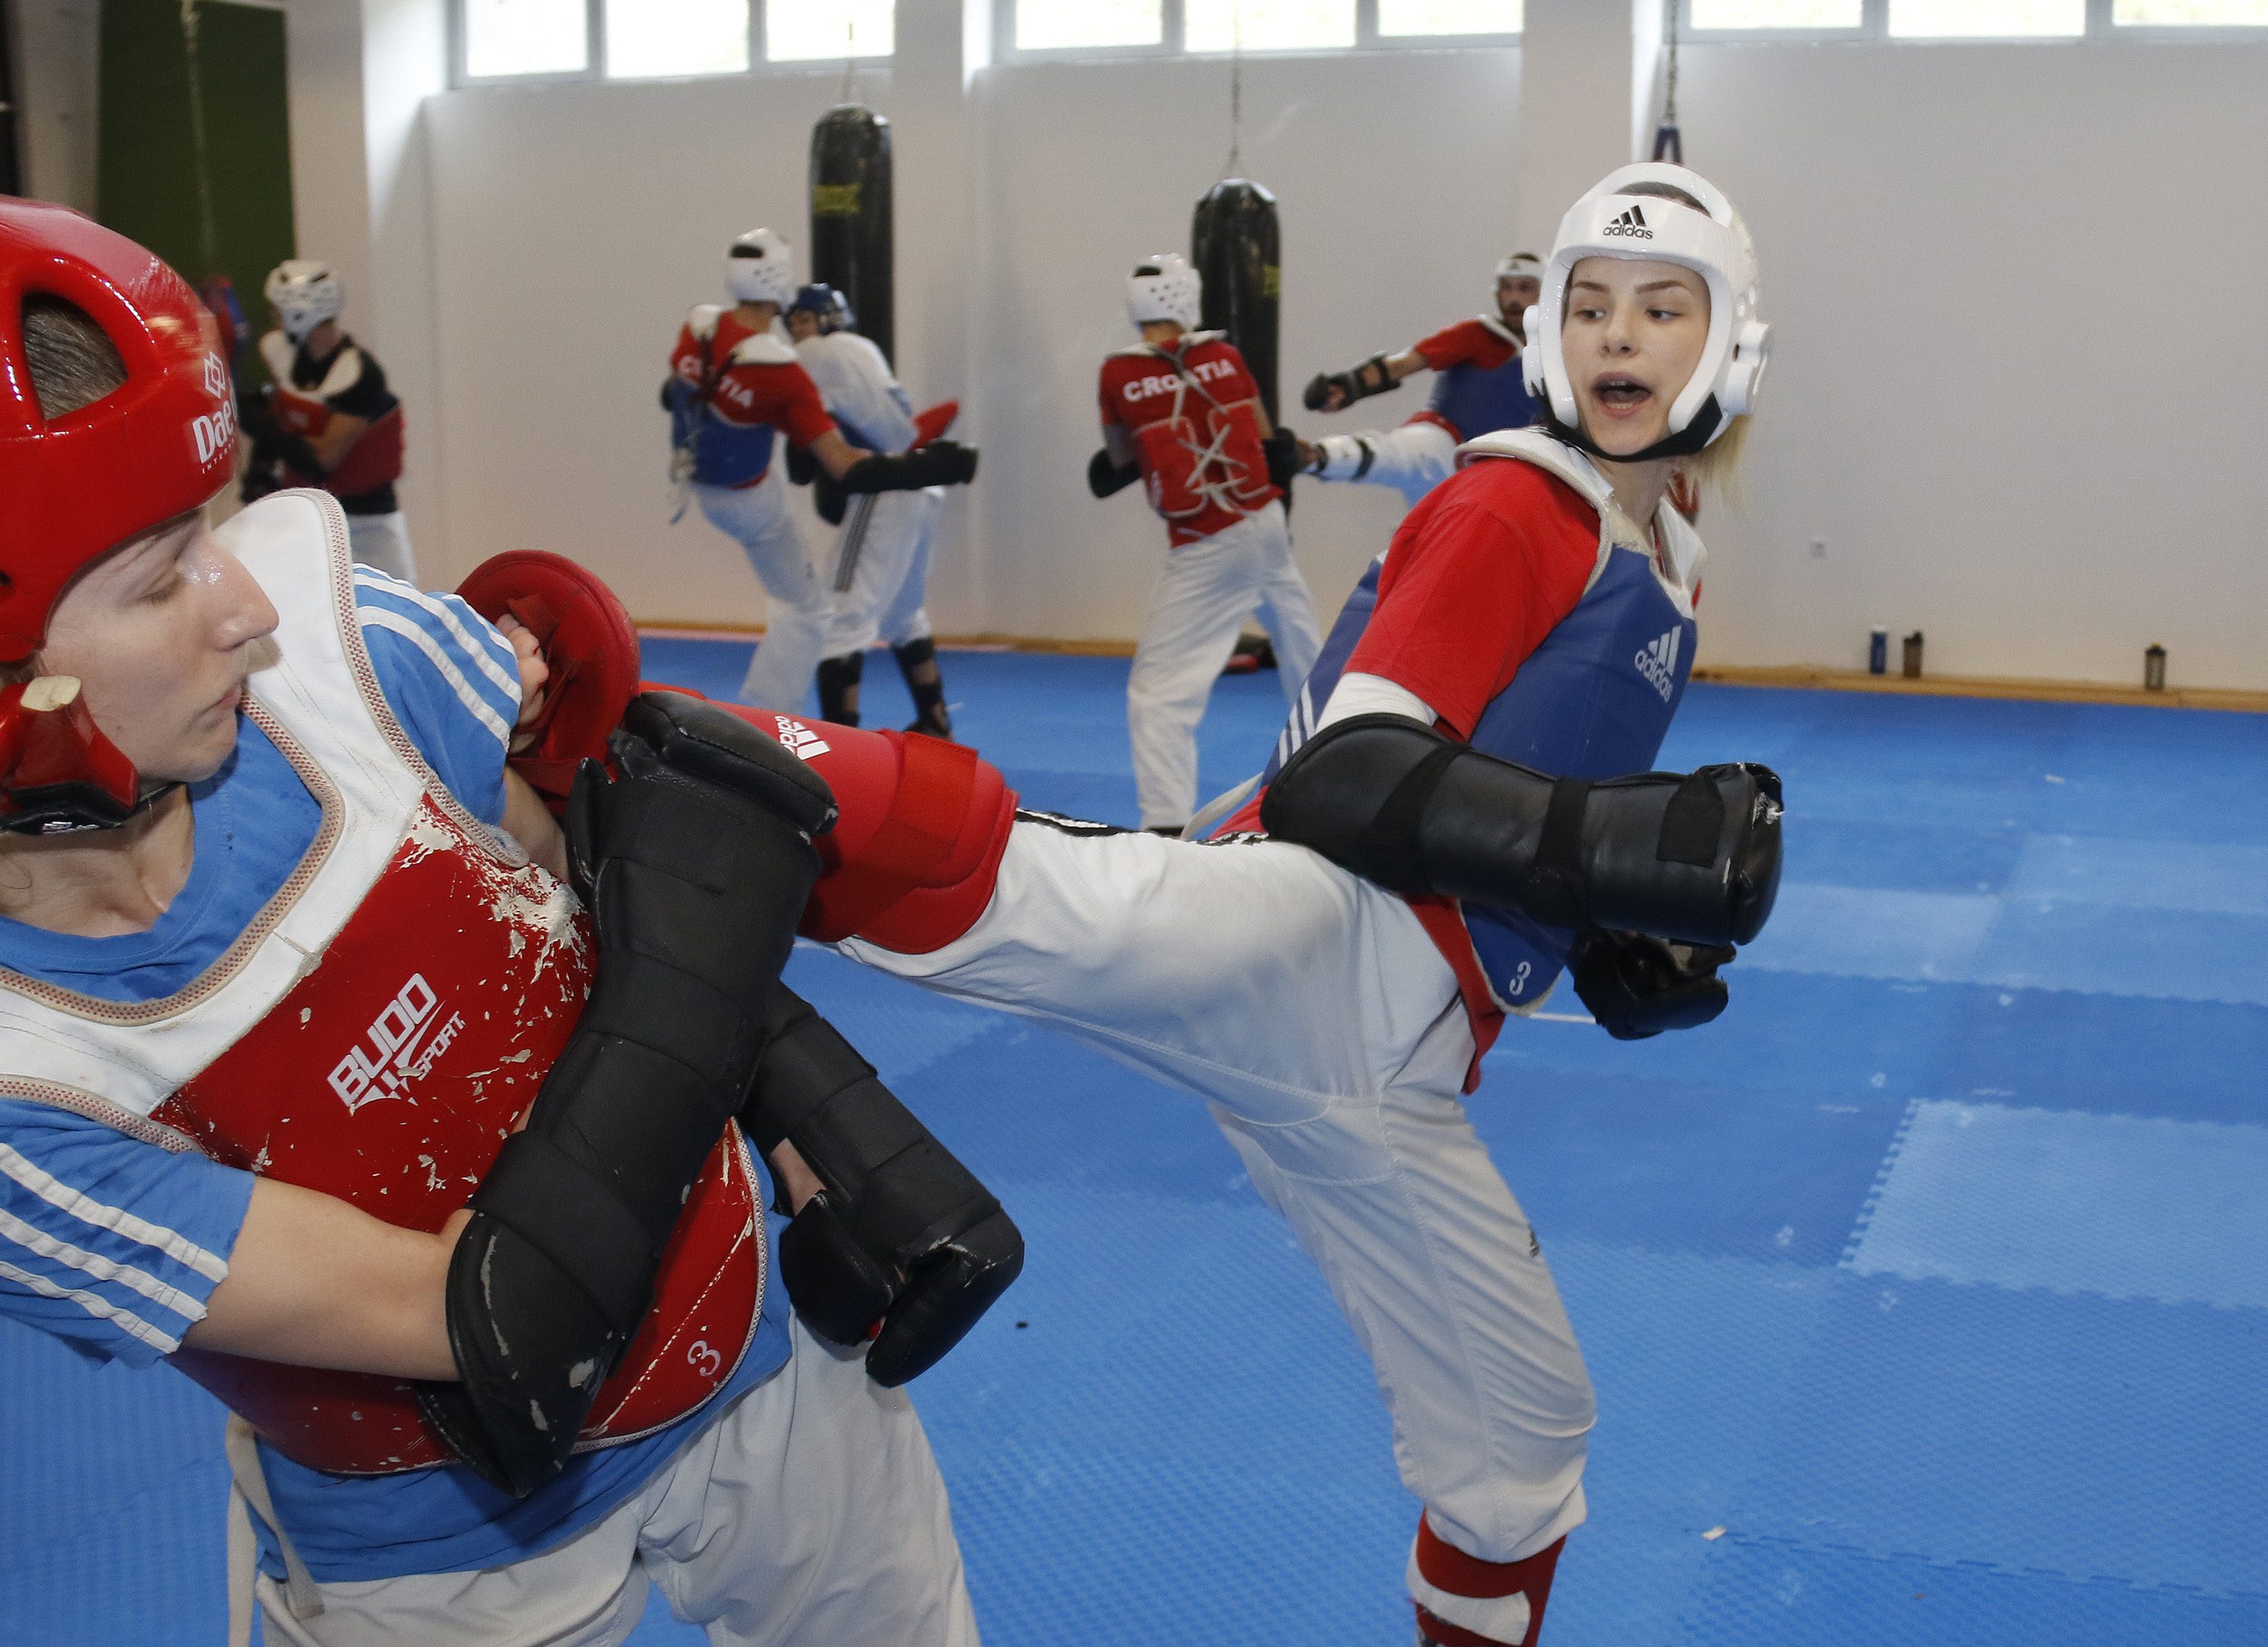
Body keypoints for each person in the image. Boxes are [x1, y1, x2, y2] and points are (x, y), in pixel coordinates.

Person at [511, 161, 1780, 1647]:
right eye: (1594, 304)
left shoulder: (1667, 545)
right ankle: (603, 729)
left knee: (1522, 1441)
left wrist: (1607, 924)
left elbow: (1518, 773)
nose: (1620, 335)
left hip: (1401, 1070)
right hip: (1322, 934)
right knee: (1049, 884)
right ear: (1549, 330)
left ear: (1731, 340)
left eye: (1663, 307)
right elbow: (1353, 772)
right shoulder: (1524, 506)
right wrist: (1596, 844)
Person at [0, 188, 1017, 1647]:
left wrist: (825, 1117)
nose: (245, 604)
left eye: (212, 527)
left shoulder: (344, 665)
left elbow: (602, 909)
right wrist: (715, 950)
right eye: (160, 574)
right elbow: (497, 1318)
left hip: (771, 1364)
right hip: (445, 1559)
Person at [665, 232, 975, 714]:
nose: (800, 327)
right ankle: (769, 724)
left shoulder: (698, 328)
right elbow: (844, 464)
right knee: (815, 611)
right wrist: (930, 465)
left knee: (896, 613)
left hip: (697, 485)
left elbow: (676, 393)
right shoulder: (787, 370)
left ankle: (932, 722)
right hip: (755, 501)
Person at [1089, 253, 1323, 834]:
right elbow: (1267, 442)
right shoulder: (1224, 355)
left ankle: (1165, 827)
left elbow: (1118, 457)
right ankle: (1339, 779)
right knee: (1309, 662)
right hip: (1265, 523)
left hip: (1206, 541)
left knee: (1159, 692)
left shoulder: (1118, 373)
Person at [780, 283, 959, 740]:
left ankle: (841, 744)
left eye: (803, 319)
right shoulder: (863, 349)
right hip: (923, 484)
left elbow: (802, 458)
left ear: (825, 320)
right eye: (792, 322)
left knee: (839, 617)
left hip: (885, 487)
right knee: (904, 614)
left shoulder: (816, 354)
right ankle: (935, 719)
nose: (795, 331)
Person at [1290, 252, 1547, 511]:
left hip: (1495, 482)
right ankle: (1317, 457)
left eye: (1525, 288)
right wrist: (1349, 386)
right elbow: (1402, 365)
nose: (1513, 299)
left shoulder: (1563, 354)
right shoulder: (1476, 335)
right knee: (1403, 456)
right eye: (1506, 288)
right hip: (1446, 442)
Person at [241, 260, 417, 582]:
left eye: (278, 310)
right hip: (309, 517)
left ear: (299, 312)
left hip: (367, 524)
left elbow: (323, 459)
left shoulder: (357, 375)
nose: (274, 318)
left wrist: (262, 428)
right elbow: (288, 415)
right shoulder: (284, 356)